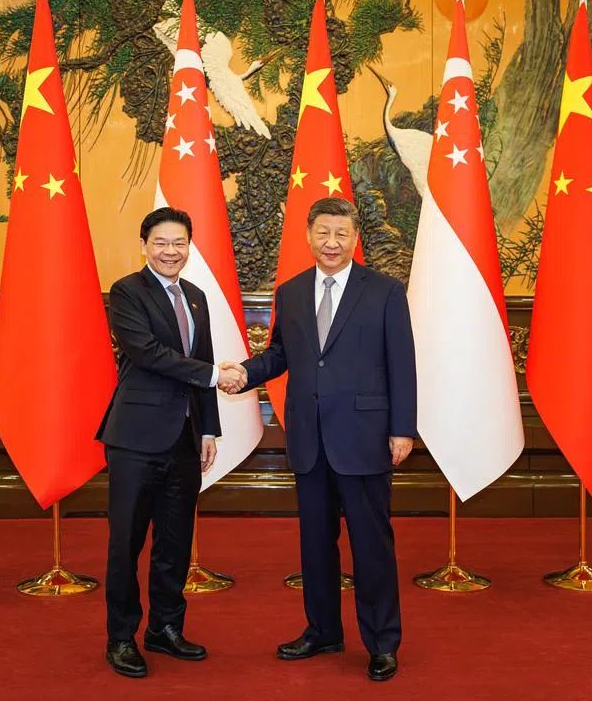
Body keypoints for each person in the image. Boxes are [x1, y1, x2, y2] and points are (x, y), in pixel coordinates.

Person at [220, 197, 416, 681]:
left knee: (371, 546)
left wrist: (402, 428)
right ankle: (323, 630)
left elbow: (402, 364)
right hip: (308, 438)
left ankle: (382, 642)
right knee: (315, 545)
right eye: (323, 233)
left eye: (341, 234)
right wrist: (245, 371)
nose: (332, 242)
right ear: (309, 236)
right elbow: (281, 354)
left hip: (366, 438)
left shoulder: (386, 291)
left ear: (355, 239)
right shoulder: (290, 292)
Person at [96, 207, 246, 679]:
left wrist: (208, 429)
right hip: (136, 440)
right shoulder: (127, 292)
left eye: (179, 243)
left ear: (189, 247)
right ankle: (121, 637)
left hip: (184, 438)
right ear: (145, 245)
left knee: (175, 542)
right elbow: (147, 353)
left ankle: (165, 627)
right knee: (127, 543)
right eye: (161, 242)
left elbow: (204, 360)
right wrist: (213, 375)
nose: (170, 251)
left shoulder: (197, 296)